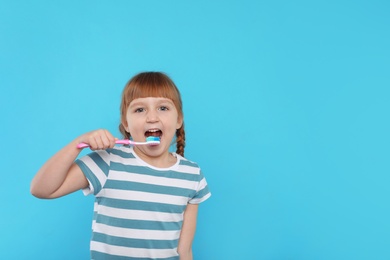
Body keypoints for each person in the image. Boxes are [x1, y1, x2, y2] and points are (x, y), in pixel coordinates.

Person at [30, 72, 211, 260]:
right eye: (140, 110)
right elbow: (41, 190)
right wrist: (78, 143)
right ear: (126, 123)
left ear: (179, 120)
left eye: (163, 108)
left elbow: (185, 251)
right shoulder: (107, 162)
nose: (152, 117)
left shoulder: (192, 174)